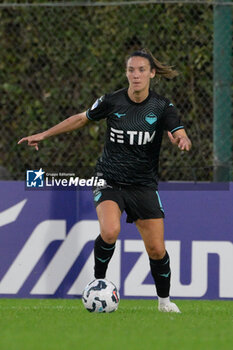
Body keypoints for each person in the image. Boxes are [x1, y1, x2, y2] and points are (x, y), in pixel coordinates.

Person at [18, 49, 191, 313]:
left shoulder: (162, 106)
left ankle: (164, 303)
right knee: (110, 231)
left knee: (156, 249)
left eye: (142, 70)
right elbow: (81, 118)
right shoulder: (112, 101)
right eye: (131, 70)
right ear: (126, 73)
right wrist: (45, 134)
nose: (136, 75)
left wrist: (182, 137)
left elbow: (176, 129)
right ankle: (98, 282)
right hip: (109, 180)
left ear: (152, 74)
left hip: (143, 185)